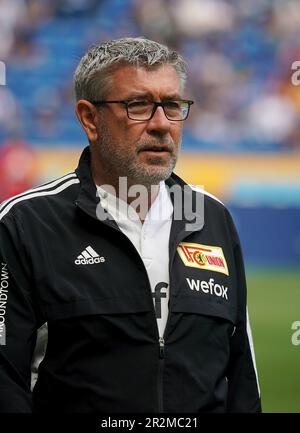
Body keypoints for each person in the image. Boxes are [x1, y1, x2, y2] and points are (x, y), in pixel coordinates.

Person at [0, 37, 261, 413]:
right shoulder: (25, 225)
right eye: (138, 105)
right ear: (90, 118)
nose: (161, 124)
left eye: (172, 105)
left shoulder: (212, 218)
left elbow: (242, 378)